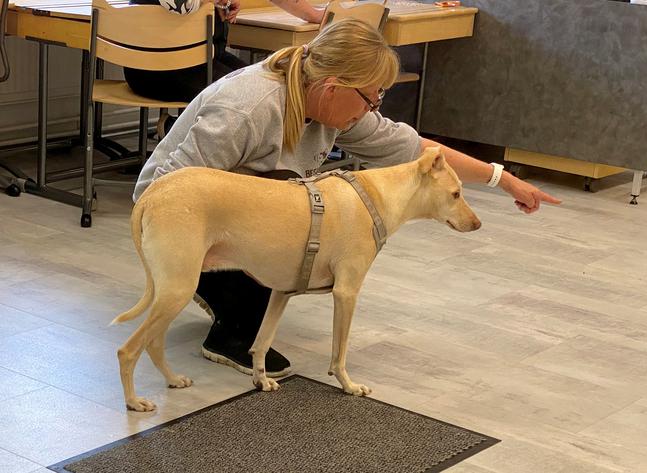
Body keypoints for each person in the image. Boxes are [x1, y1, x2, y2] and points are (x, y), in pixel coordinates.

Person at [132, 19, 561, 378]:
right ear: (335, 85)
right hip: (180, 216)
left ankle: (231, 290)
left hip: (241, 216)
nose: (374, 108)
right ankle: (225, 315)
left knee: (295, 247)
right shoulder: (248, 108)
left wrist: (503, 179)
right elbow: (174, 188)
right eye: (372, 96)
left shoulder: (334, 107)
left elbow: (415, 152)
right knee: (266, 280)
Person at [123, 0, 325, 135]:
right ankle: (181, 133)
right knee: (256, 96)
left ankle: (176, 129)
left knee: (272, 85)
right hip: (157, 67)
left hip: (199, 60)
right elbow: (180, 3)